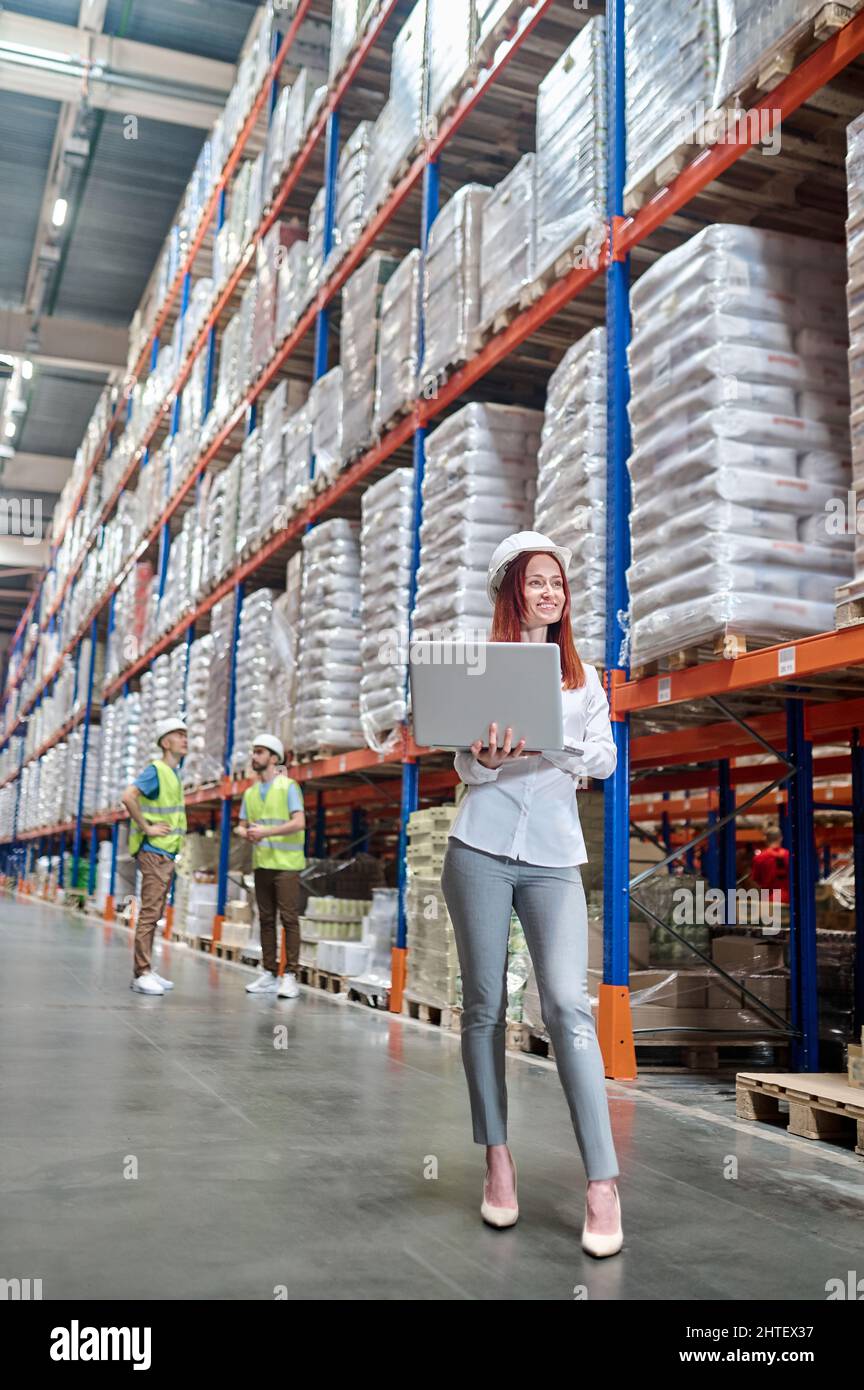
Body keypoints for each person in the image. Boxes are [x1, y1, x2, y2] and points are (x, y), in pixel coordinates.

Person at [439, 531, 623, 1257]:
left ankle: (603, 1182)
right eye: (534, 581)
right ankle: (497, 1159)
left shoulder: (584, 678)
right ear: (509, 591)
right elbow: (460, 760)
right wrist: (482, 759)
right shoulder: (479, 666)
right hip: (478, 848)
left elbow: (605, 757)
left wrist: (560, 748)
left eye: (557, 582)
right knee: (485, 1007)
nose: (549, 592)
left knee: (568, 1006)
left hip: (553, 857)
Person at [121, 717, 188, 996]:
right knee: (149, 912)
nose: (185, 739)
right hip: (154, 850)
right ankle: (141, 973)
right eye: (178, 735)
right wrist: (146, 826)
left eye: (186, 735)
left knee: (156, 911)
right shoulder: (156, 770)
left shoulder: (172, 774)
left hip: (166, 852)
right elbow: (128, 796)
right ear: (165, 742)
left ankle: (147, 968)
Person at [235, 733, 306, 999]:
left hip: (286, 864)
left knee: (288, 918)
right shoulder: (250, 793)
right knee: (265, 919)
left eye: (260, 752)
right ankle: (268, 972)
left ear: (274, 758)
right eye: (253, 752)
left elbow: (299, 822)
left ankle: (290, 976)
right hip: (262, 863)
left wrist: (266, 832)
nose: (254, 756)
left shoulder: (288, 787)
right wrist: (246, 833)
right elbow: (240, 825)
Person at [750, 826, 790, 904]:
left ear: (766, 839)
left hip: (768, 900)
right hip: (788, 899)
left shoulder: (759, 858)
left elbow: (755, 881)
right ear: (780, 838)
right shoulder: (789, 856)